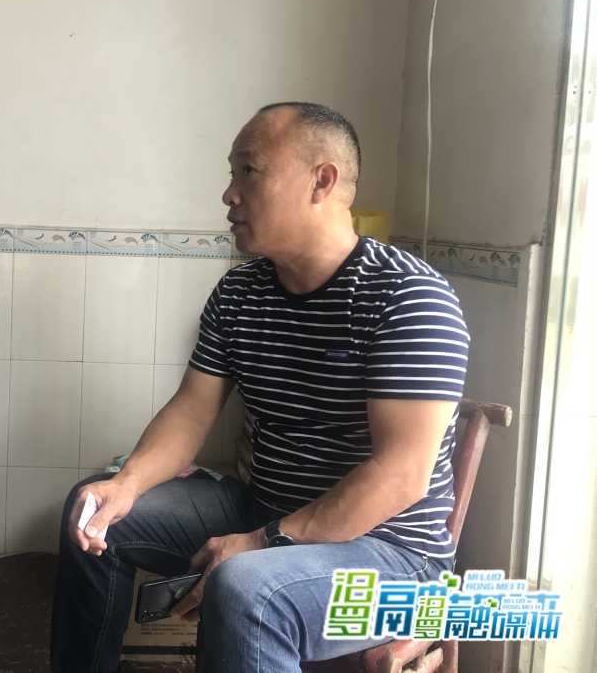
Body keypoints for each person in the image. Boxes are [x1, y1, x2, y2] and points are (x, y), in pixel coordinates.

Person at [51, 102, 468, 672]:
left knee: (248, 586)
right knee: (94, 511)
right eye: (232, 173)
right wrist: (126, 484)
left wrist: (263, 541)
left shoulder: (408, 298)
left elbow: (400, 475)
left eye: (248, 170)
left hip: (392, 556)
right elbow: (191, 413)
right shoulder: (240, 293)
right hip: (265, 509)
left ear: (321, 181)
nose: (229, 193)